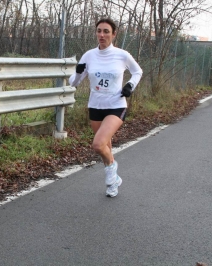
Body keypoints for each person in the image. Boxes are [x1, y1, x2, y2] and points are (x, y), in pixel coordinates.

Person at [69, 17, 143, 198]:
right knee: (106, 147)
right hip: (95, 106)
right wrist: (77, 72)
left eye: (106, 31)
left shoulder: (122, 55)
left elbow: (137, 71)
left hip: (116, 105)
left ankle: (112, 175)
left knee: (98, 144)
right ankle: (114, 181)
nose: (102, 35)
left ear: (114, 34)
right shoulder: (89, 55)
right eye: (99, 31)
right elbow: (74, 83)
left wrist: (130, 86)